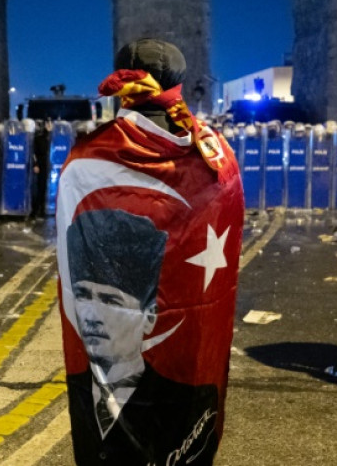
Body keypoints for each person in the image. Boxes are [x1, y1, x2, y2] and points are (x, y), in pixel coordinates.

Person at [57, 38, 244, 465]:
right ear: (179, 84)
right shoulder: (217, 159)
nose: (94, 310)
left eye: (111, 298)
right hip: (193, 382)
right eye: (93, 297)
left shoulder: (85, 159)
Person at [66, 209, 219, 466]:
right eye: (82, 295)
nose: (91, 314)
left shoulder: (188, 403)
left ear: (149, 317)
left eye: (110, 300)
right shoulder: (76, 386)